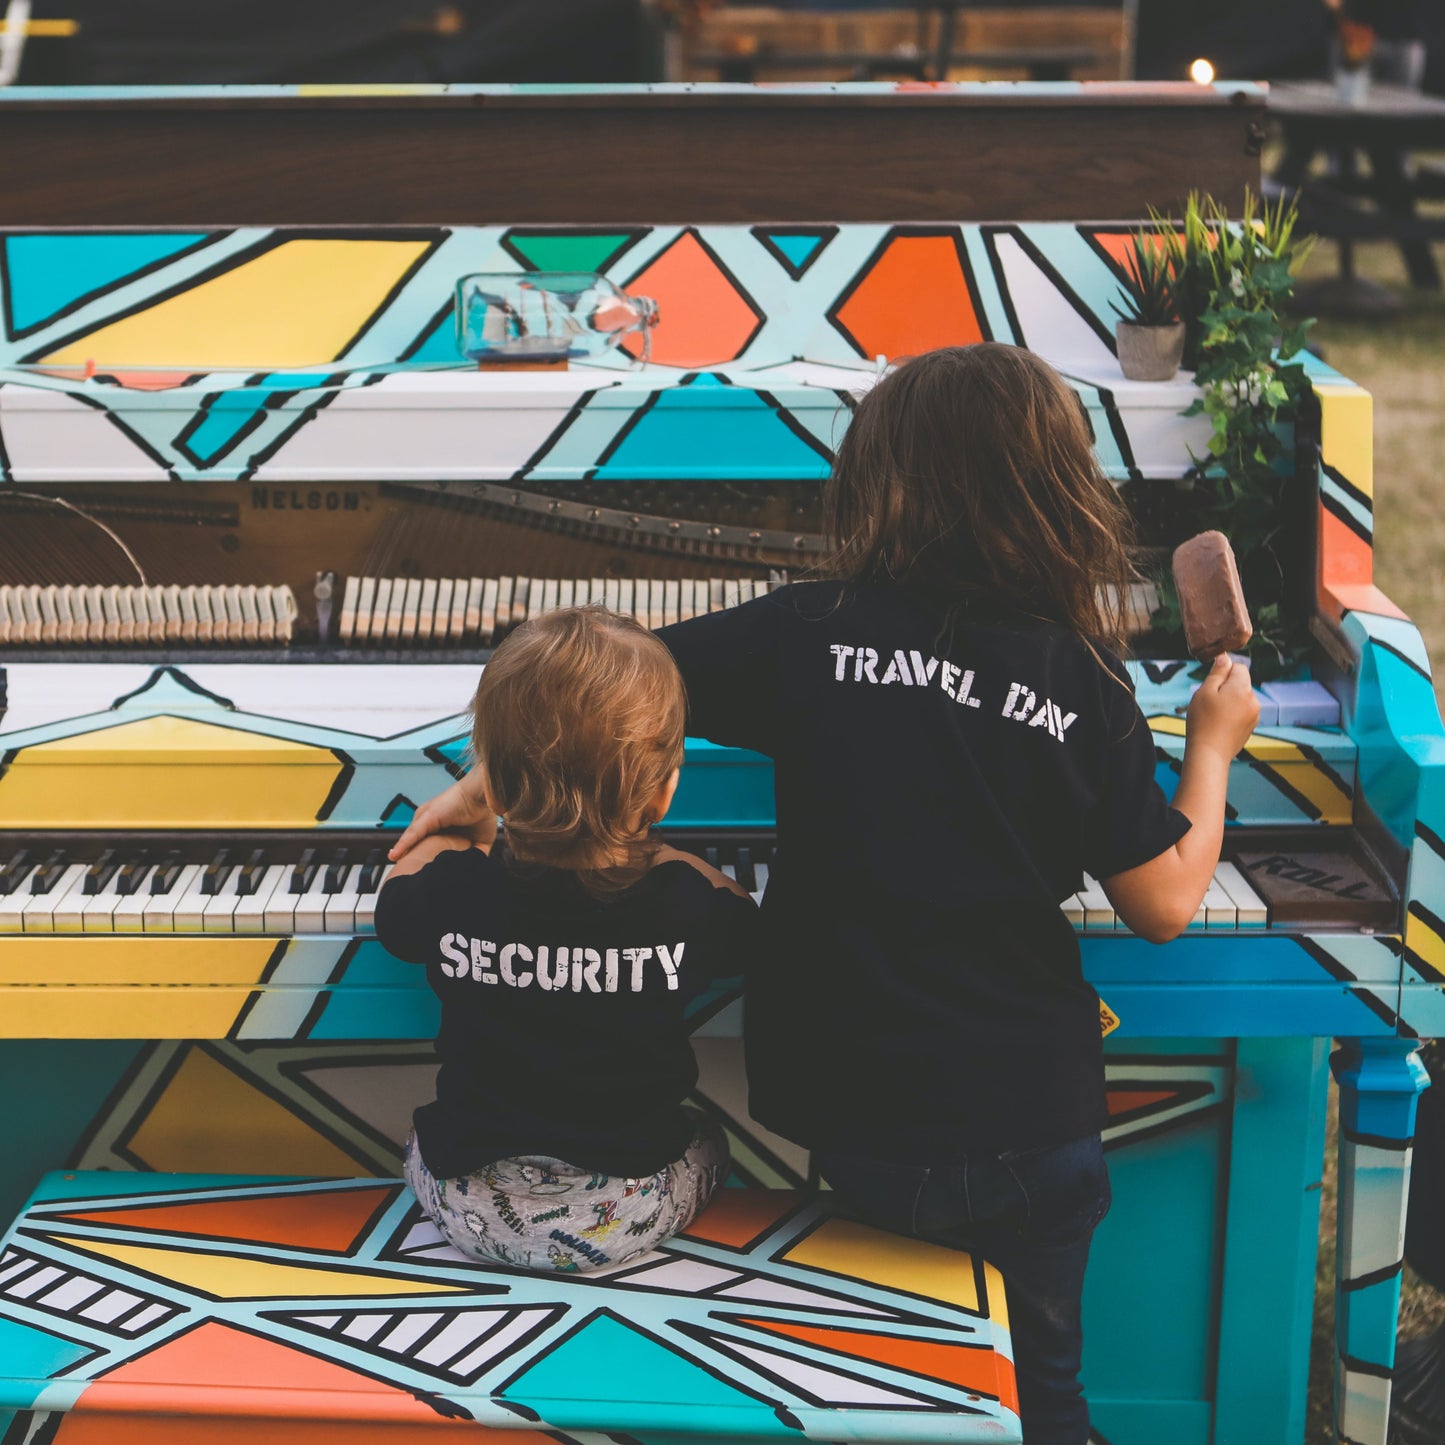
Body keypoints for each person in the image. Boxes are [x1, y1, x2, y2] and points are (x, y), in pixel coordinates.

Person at [389, 343, 1260, 1439]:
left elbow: (597, 687)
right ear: (1057, 491)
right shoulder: (1078, 681)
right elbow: (1166, 901)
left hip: (854, 1119)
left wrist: (494, 783)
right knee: (1043, 1393)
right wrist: (1215, 746)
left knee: (892, 1384)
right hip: (1024, 1116)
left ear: (879, 483)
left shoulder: (807, 629)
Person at [375, 606, 757, 1274]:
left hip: (467, 1203)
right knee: (710, 1139)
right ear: (662, 793)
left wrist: (456, 818)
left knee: (418, 1135)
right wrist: (650, 842)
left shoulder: (449, 892)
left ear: (491, 778)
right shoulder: (686, 907)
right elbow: (739, 908)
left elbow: (395, 888)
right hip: (620, 1210)